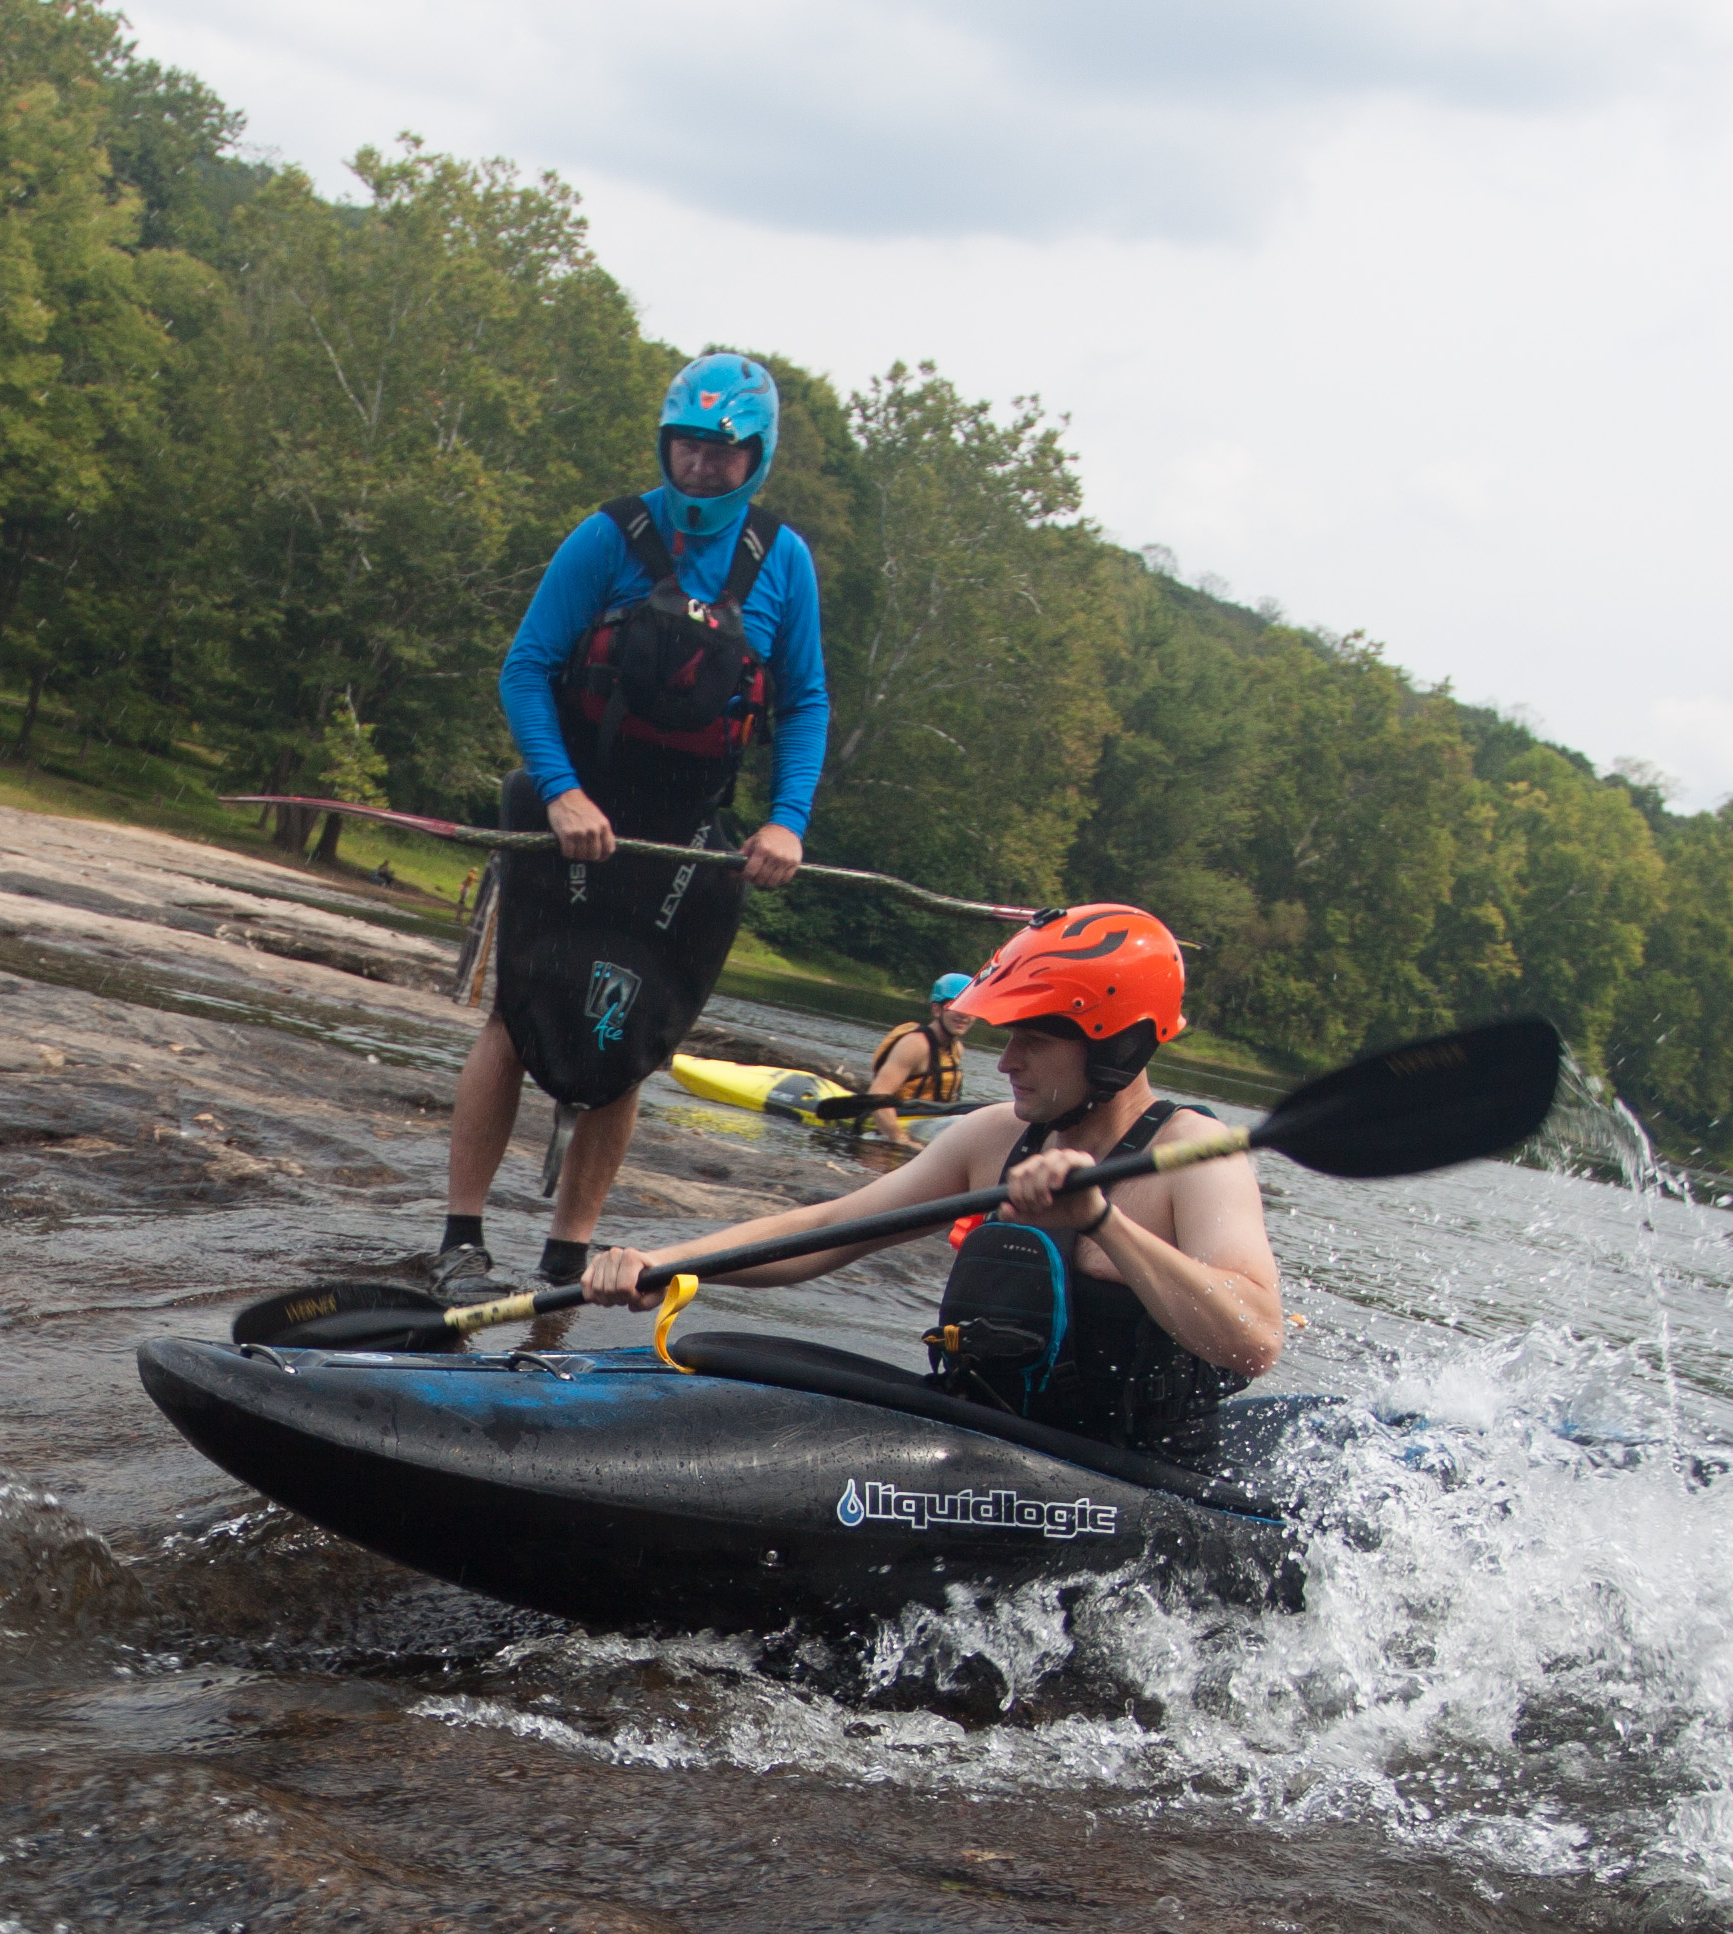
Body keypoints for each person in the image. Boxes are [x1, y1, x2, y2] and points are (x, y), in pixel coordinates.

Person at [577, 904, 1282, 1464]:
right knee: (732, 1353)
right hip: (991, 1443)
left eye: (1034, 1040)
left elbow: (1254, 1340)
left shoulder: (1195, 1155)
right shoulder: (994, 1135)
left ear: (1116, 1044)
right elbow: (828, 1229)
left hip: (1132, 1476)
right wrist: (665, 1264)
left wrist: (1102, 1222)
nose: (1005, 1062)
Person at [431, 349, 831, 1299]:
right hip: (571, 809)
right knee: (516, 1016)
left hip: (682, 828)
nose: (701, 464)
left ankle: (566, 1256)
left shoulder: (782, 561)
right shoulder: (608, 537)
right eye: (686, 445)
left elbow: (805, 701)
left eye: (722, 452)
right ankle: (461, 1239)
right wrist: (561, 791)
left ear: (756, 458)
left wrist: (786, 821)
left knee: (632, 1036)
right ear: (665, 442)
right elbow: (527, 668)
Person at [864, 971, 977, 1132]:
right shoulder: (915, 1044)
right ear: (937, 1009)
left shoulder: (957, 1049)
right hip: (895, 1122)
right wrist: (900, 1139)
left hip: (931, 1123)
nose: (964, 1015)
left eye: (970, 1007)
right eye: (954, 1005)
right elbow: (877, 1095)